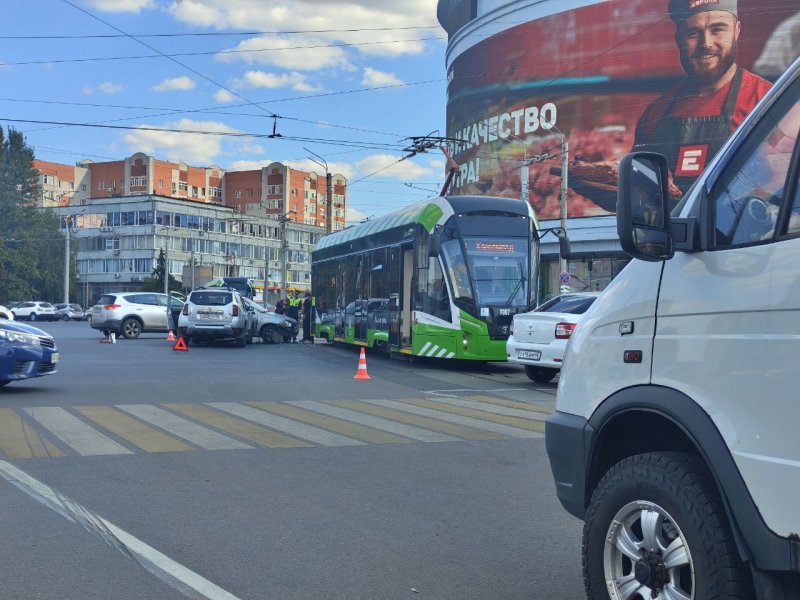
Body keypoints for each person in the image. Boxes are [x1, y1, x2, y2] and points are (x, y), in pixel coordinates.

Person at [633, 0, 772, 195]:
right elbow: (637, 193)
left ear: (737, 31)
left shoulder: (768, 102)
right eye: (693, 33)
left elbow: (783, 188)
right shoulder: (654, 114)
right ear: (678, 39)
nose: (706, 43)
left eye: (717, 29)